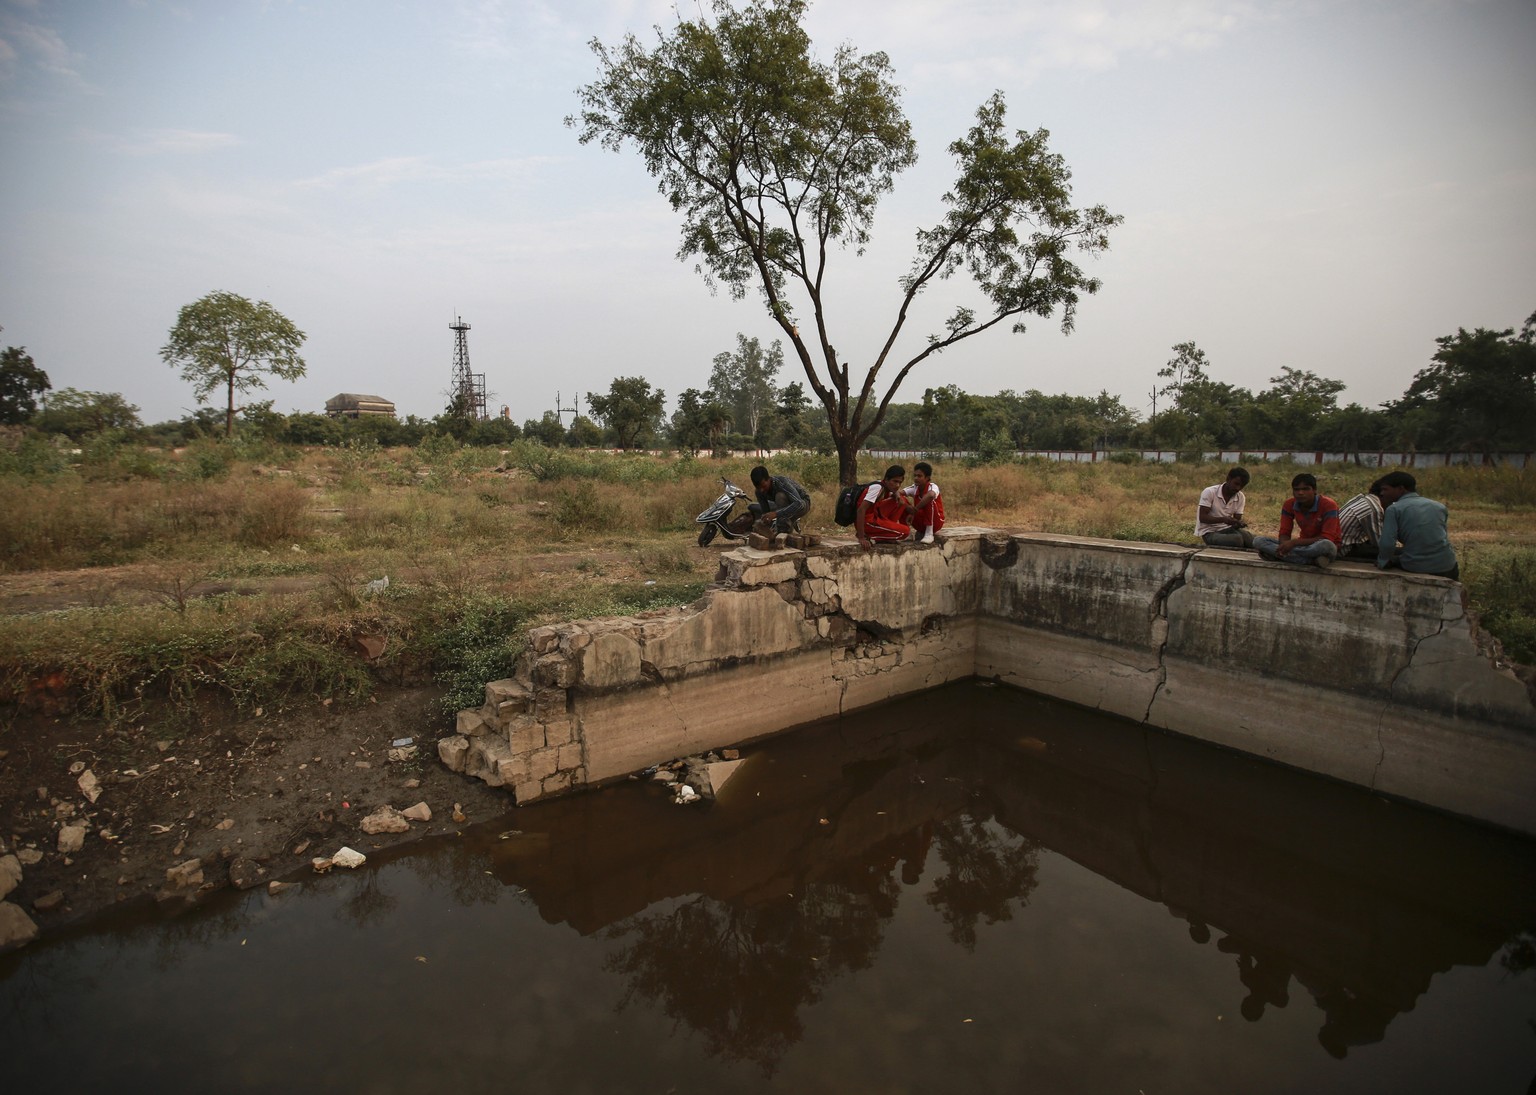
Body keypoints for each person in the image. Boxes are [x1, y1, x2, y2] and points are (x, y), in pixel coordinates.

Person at [1375, 471, 1459, 580]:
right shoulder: (1439, 506)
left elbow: (1387, 544)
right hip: (1448, 565)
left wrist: (1383, 562)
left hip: (1417, 566)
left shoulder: (1394, 509)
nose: (1382, 493)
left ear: (1401, 488)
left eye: (1385, 489)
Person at [1253, 472, 1340, 569]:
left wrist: (1294, 543)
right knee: (1258, 541)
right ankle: (1309, 561)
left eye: (1305, 489)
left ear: (1314, 490)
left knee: (1326, 545)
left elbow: (1327, 538)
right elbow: (1284, 532)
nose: (1300, 493)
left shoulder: (1328, 505)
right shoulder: (1289, 504)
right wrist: (1284, 545)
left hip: (1322, 546)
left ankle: (1283, 556)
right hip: (1301, 546)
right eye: (1296, 490)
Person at [855, 465, 911, 551]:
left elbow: (897, 499)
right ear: (886, 479)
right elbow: (861, 510)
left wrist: (896, 493)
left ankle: (887, 531)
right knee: (905, 532)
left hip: (875, 515)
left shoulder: (884, 486)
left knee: (901, 501)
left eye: (900, 483)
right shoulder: (877, 488)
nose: (897, 485)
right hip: (868, 522)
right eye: (895, 481)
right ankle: (873, 536)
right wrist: (861, 537)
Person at [1195, 467, 1253, 548]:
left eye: (1241, 486)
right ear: (1228, 479)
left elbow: (1236, 521)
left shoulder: (1240, 496)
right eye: (1236, 484)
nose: (1238, 488)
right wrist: (1223, 519)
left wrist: (1239, 523)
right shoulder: (1210, 492)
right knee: (1237, 540)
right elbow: (1202, 517)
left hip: (1227, 530)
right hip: (1209, 532)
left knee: (1252, 540)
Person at [748, 465, 811, 535]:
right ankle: (785, 525)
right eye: (758, 488)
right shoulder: (759, 492)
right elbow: (766, 512)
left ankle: (784, 531)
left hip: (803, 503)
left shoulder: (781, 483)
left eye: (764, 486)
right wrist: (765, 521)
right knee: (753, 507)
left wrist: (776, 514)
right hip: (785, 506)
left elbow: (799, 504)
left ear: (769, 479)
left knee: (780, 496)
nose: (762, 490)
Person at [1337, 478, 1385, 559]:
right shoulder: (1373, 508)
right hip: (1345, 550)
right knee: (1395, 554)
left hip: (1340, 544)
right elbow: (1379, 543)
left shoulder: (1362, 499)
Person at [901, 460, 946, 544]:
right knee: (901, 500)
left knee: (928, 499)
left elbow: (931, 495)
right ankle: (906, 532)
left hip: (935, 522)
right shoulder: (915, 487)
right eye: (915, 476)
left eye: (919, 476)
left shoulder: (933, 486)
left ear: (927, 478)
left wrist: (914, 511)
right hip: (920, 523)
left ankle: (929, 533)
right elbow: (899, 493)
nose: (916, 478)